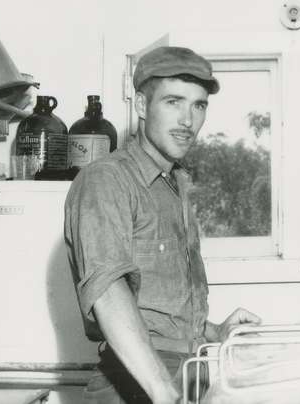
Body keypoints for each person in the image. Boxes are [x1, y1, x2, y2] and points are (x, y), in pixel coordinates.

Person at [64, 46, 261, 404]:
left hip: (185, 375)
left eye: (198, 105)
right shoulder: (106, 180)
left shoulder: (175, 186)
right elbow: (108, 292)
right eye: (173, 102)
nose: (188, 119)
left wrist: (214, 331)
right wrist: (161, 390)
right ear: (141, 106)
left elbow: (158, 306)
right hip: (135, 386)